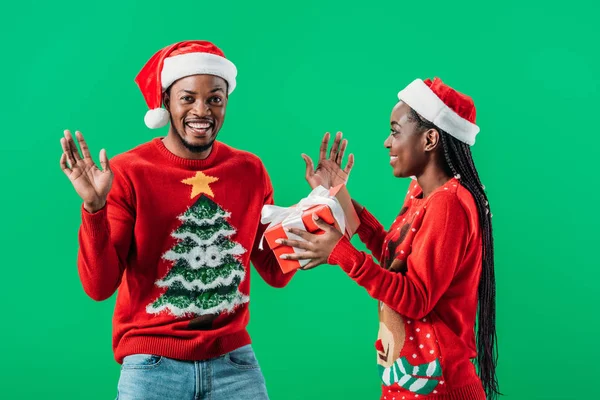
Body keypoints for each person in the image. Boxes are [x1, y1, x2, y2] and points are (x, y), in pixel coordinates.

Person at [59, 40, 296, 400]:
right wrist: (94, 207)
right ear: (166, 102)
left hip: (233, 361)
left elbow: (276, 273)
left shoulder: (250, 171)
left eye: (214, 98)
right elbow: (99, 286)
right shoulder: (128, 172)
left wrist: (314, 212)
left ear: (226, 102)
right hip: (151, 365)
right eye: (187, 98)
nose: (202, 110)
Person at [281, 78, 499, 399]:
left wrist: (341, 253)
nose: (387, 142)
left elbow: (415, 297)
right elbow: (392, 255)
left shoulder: (449, 203)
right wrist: (336, 194)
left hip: (439, 391)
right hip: (408, 386)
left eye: (395, 131)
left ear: (430, 139)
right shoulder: (422, 193)